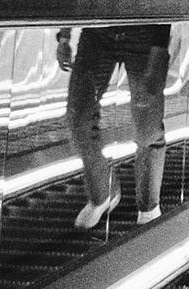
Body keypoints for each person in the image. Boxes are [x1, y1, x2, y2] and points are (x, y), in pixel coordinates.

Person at [56, 22, 173, 230]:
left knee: (148, 127)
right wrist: (64, 36)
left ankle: (149, 206)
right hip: (97, 31)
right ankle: (103, 192)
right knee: (78, 118)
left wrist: (159, 45)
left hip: (145, 33)